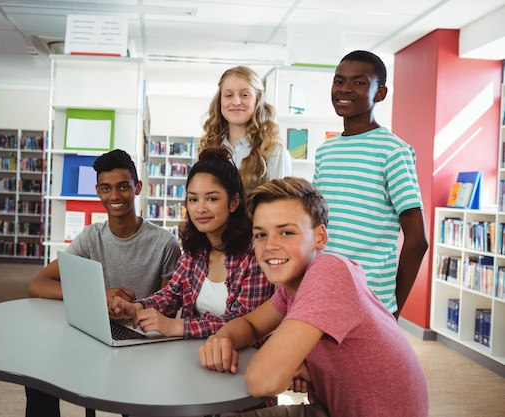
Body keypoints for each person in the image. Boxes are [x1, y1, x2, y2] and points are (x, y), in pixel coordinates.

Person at [198, 177, 429, 417]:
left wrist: (291, 366)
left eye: (286, 232)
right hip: (334, 408)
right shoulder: (293, 287)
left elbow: (263, 381)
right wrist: (221, 339)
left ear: (320, 237)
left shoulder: (329, 272)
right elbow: (251, 324)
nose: (269, 246)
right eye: (260, 235)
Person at [26, 149, 181, 417]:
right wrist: (100, 296)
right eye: (106, 188)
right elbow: (38, 284)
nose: (115, 196)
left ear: (137, 187)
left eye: (123, 187)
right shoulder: (90, 237)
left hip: (139, 341)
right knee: (37, 376)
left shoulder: (164, 243)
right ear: (98, 191)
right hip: (94, 333)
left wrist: (132, 309)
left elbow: (169, 306)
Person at [109, 147, 274, 340]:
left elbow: (243, 322)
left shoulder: (256, 253)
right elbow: (172, 294)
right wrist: (136, 308)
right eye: (193, 199)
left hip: (240, 357)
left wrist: (177, 326)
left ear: (234, 202)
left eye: (212, 198)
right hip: (194, 355)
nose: (200, 208)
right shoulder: (195, 250)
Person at [312, 50, 428, 317]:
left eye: (359, 82)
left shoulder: (393, 151)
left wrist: (393, 309)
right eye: (339, 81)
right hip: (323, 289)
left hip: (370, 300)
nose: (345, 89)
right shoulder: (324, 152)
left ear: (380, 93)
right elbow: (316, 225)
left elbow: (417, 240)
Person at [198, 65, 292, 193]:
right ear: (220, 101)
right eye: (229, 95)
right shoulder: (208, 148)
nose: (236, 102)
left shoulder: (274, 152)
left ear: (258, 100)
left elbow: (280, 207)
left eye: (245, 95)